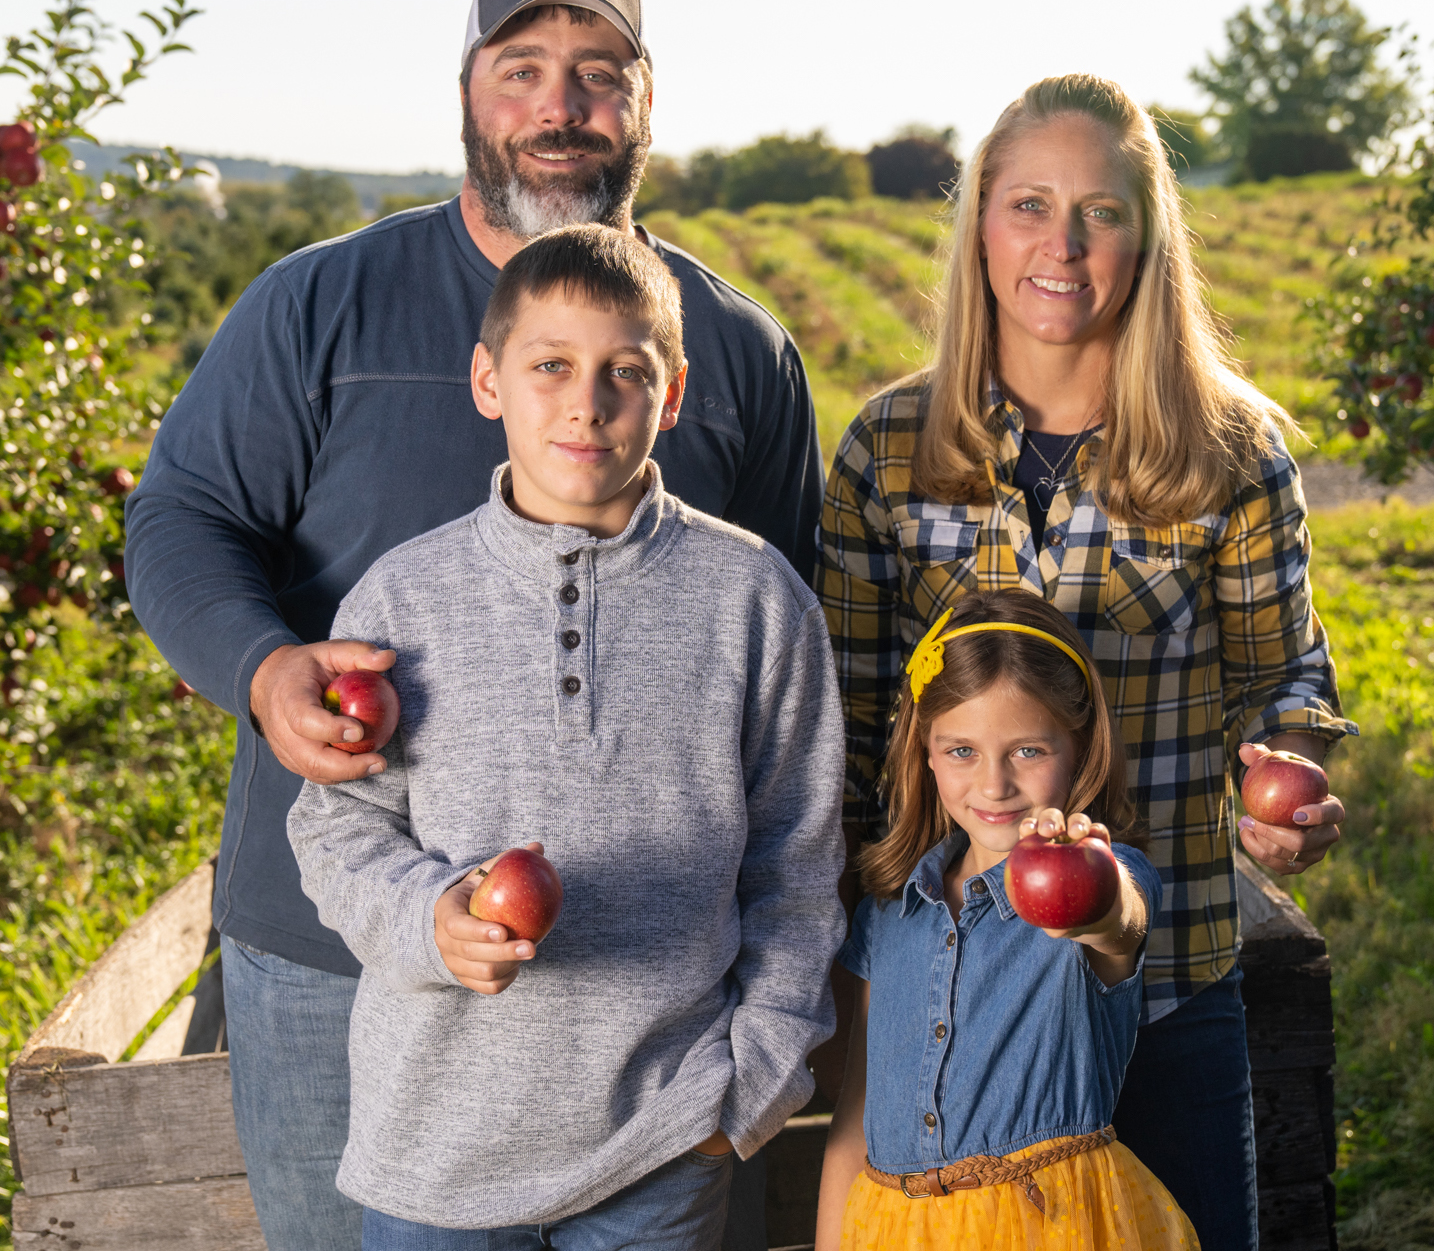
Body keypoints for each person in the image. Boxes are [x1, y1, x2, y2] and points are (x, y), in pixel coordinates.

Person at [124, 0, 824, 1251]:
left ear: (646, 103)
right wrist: (264, 667)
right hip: (338, 962)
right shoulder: (319, 304)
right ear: (467, 90)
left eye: (598, 72)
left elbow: (786, 682)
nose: (561, 105)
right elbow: (180, 518)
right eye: (524, 70)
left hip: (649, 1021)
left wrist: (760, 1049)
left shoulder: (733, 349)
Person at [815, 73, 1356, 1251]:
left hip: (1162, 984)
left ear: (1147, 236)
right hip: (960, 1005)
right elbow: (854, 730)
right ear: (980, 229)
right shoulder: (890, 450)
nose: (1061, 244)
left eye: (1100, 212)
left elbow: (1283, 681)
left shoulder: (1227, 452)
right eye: (1028, 205)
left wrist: (1285, 780)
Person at [287, 224, 846, 1249]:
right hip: (435, 1151)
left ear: (671, 395)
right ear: (488, 380)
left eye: (623, 372)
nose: (586, 402)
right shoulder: (403, 599)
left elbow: (798, 865)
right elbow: (335, 831)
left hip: (664, 1144)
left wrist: (750, 1086)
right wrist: (429, 920)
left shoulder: (756, 600)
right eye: (550, 366)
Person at [814, 590, 1198, 1250]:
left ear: (1079, 747)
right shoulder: (890, 907)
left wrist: (1091, 894)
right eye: (961, 751)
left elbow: (1121, 923)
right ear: (925, 753)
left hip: (1051, 1227)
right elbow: (855, 1120)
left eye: (1027, 751)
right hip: (892, 1231)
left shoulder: (1101, 872)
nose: (994, 785)